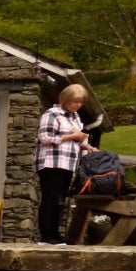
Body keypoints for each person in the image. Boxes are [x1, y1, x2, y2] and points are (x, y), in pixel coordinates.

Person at [36, 82, 91, 245]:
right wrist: (72, 137)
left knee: (60, 200)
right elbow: (44, 138)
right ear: (66, 99)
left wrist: (87, 146)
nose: (78, 105)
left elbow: (73, 141)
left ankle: (55, 234)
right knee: (50, 199)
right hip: (51, 163)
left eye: (81, 102)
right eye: (75, 101)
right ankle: (46, 237)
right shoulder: (52, 114)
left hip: (68, 164)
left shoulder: (75, 117)